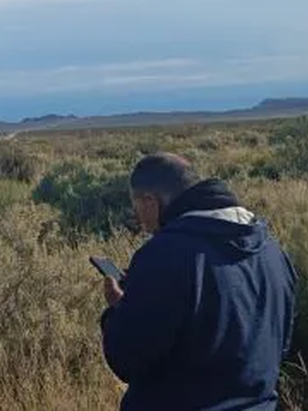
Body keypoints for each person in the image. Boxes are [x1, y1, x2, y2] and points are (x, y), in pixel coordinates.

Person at [100, 153, 296, 410]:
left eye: (136, 207)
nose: (139, 219)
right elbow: (280, 345)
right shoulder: (272, 250)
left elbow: (128, 359)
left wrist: (118, 311)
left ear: (150, 201)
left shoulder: (164, 254)